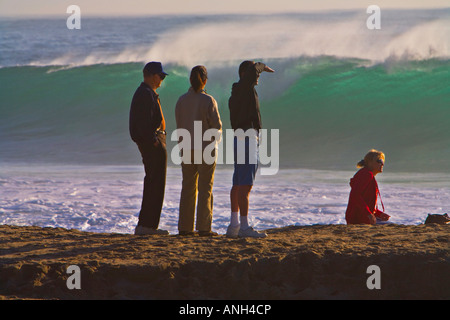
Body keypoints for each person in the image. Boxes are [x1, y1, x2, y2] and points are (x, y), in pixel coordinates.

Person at [226, 60, 274, 238]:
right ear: (245, 74)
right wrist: (263, 66)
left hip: (239, 138)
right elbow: (254, 69)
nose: (259, 75)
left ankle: (234, 225)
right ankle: (244, 228)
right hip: (247, 138)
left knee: (238, 184)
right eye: (256, 73)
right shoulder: (244, 89)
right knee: (245, 185)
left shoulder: (236, 93)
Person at [175, 66, 222, 236]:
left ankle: (185, 227)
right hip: (205, 149)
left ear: (190, 80)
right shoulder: (209, 100)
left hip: (186, 148)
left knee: (187, 187)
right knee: (205, 188)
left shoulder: (181, 100)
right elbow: (217, 128)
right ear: (205, 80)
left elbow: (179, 125)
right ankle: (204, 227)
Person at [129, 61, 169, 235]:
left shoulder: (147, 93)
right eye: (160, 76)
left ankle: (146, 225)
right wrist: (153, 141)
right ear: (153, 76)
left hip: (154, 141)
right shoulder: (145, 94)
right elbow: (142, 124)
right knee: (156, 184)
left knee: (153, 182)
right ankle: (148, 226)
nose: (161, 80)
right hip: (153, 143)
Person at [345, 149, 391, 225]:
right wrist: (368, 214)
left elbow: (366, 201)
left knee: (390, 225)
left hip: (362, 217)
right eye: (380, 161)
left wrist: (379, 214)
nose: (382, 164)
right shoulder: (366, 174)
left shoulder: (366, 174)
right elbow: (355, 195)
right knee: (391, 227)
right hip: (359, 219)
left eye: (383, 162)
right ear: (370, 162)